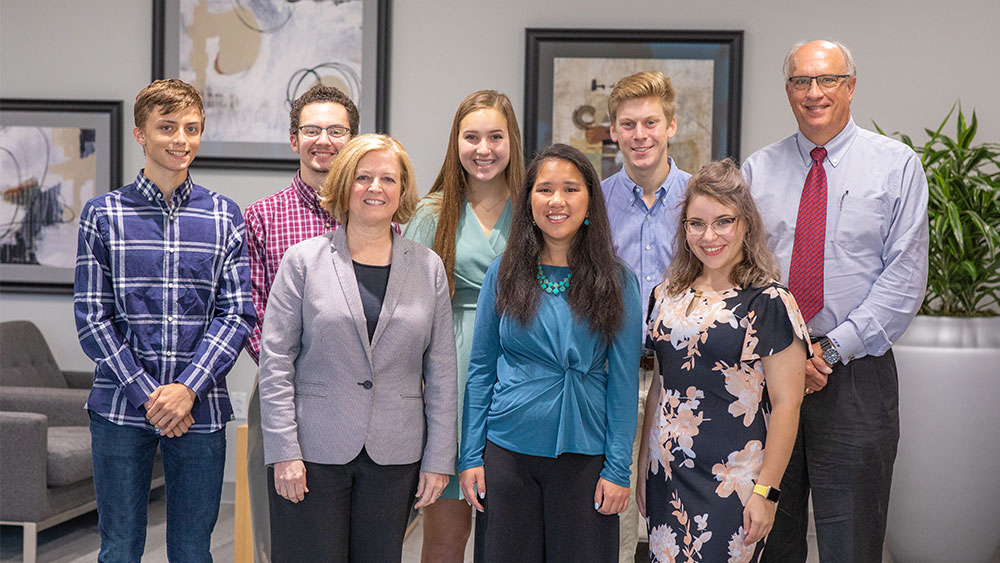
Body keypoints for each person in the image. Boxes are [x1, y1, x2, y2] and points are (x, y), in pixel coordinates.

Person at [742, 40, 928, 562]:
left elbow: (904, 280)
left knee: (852, 543)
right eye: (801, 81)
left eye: (826, 80)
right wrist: (786, 354)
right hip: (766, 377)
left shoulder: (896, 167)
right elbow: (741, 274)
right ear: (787, 91)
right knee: (767, 537)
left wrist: (825, 352)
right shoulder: (758, 171)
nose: (814, 92)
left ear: (850, 86)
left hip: (856, 376)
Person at [74, 78, 255, 562]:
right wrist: (148, 395)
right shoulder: (103, 215)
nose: (181, 139)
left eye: (192, 128)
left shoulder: (225, 217)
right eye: (168, 127)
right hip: (120, 407)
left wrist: (186, 389)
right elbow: (93, 318)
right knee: (119, 549)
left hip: (200, 409)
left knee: (194, 551)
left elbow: (236, 314)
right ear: (140, 134)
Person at [258, 134, 458, 562]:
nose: (375, 188)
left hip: (395, 454)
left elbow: (442, 371)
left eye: (388, 178)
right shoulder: (303, 261)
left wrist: (439, 458)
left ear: (402, 190)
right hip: (312, 452)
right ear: (344, 184)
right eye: (363, 177)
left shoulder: (427, 267)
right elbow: (275, 363)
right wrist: (284, 452)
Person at [459, 143, 642, 563]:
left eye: (570, 189)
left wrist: (617, 469)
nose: (556, 201)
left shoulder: (618, 280)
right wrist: (470, 456)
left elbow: (624, 382)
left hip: (586, 456)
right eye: (544, 190)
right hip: (507, 451)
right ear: (528, 202)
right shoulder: (502, 272)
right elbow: (481, 370)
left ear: (589, 201)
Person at [637, 159, 809, 561]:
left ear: (745, 224)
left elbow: (788, 403)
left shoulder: (769, 302)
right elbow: (661, 386)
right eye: (696, 223)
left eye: (723, 222)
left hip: (734, 482)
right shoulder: (665, 296)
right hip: (667, 475)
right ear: (684, 230)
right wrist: (646, 464)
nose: (708, 236)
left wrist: (767, 492)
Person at [403, 89, 524, 563]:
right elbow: (409, 316)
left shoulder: (536, 211)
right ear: (455, 142)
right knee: (446, 539)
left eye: (495, 136)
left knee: (508, 540)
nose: (483, 148)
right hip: (449, 378)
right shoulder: (431, 214)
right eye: (471, 136)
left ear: (511, 140)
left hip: (518, 372)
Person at [242, 83, 359, 562]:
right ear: (294, 140)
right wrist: (291, 370)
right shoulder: (260, 218)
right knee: (281, 538)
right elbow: (247, 311)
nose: (324, 140)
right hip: (280, 393)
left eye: (336, 130)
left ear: (352, 139)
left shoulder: (381, 217)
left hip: (364, 398)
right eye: (312, 130)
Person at [600, 70, 692, 563]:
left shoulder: (703, 201)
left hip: (683, 381)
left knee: (677, 518)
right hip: (611, 376)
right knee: (612, 515)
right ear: (613, 130)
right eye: (628, 124)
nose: (640, 135)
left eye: (651, 122)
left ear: (671, 126)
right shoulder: (592, 201)